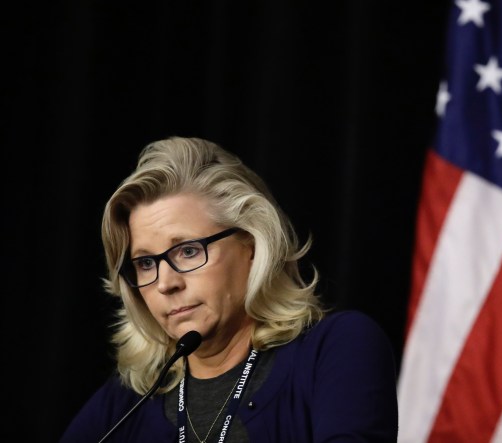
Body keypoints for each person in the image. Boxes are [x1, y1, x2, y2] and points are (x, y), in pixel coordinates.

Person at [60, 136, 399, 442]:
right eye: (146, 263)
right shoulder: (129, 399)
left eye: (188, 251)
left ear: (251, 244)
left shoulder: (338, 348)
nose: (166, 283)